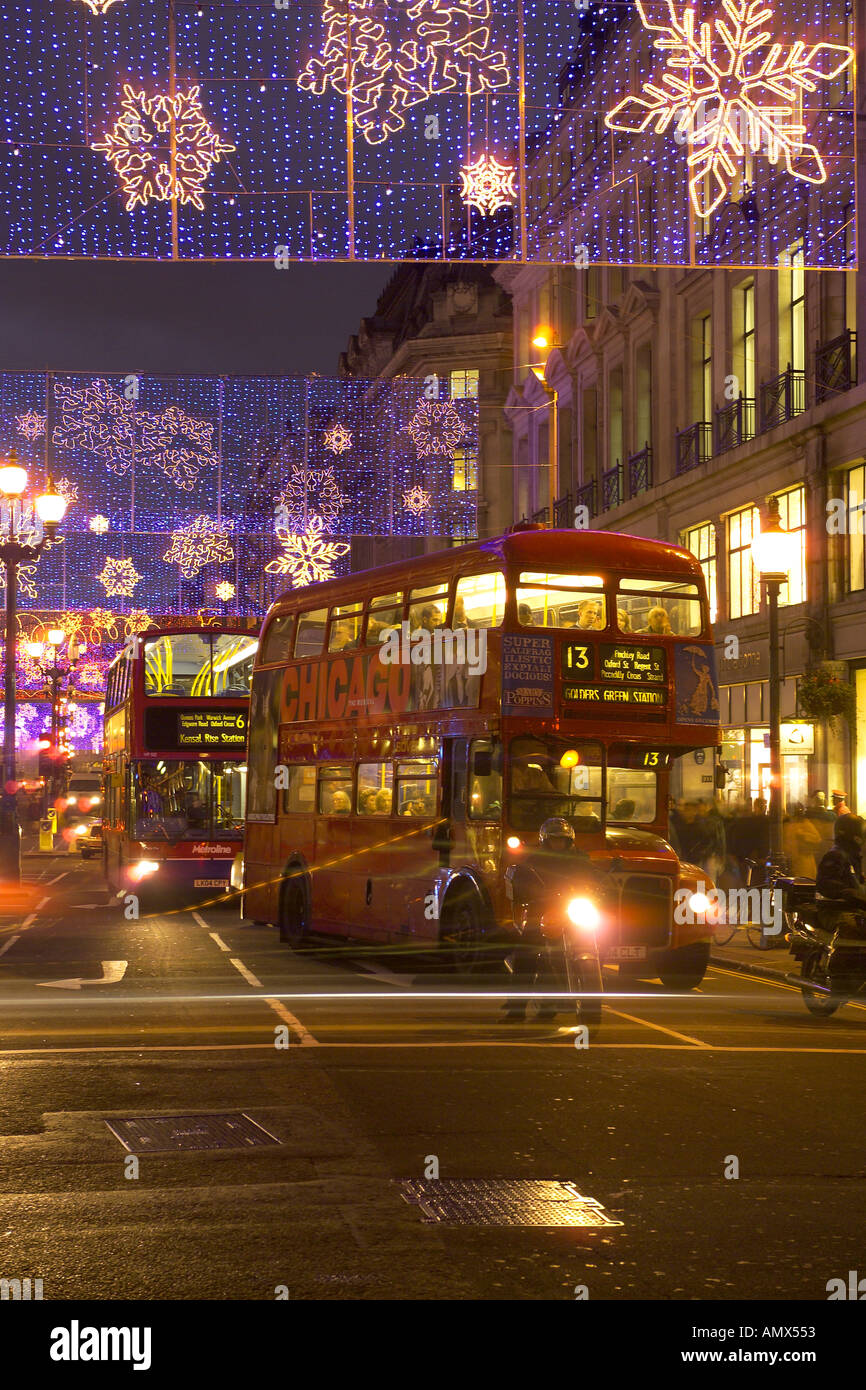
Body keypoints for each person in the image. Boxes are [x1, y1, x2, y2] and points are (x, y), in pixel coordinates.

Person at [504, 817, 602, 1022]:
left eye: (562, 840)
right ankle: (516, 1009)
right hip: (542, 909)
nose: (559, 844)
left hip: (571, 908)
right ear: (545, 841)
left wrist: (601, 886)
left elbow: (594, 877)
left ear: (569, 841)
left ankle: (581, 998)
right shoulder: (534, 860)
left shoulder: (580, 859)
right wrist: (530, 891)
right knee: (527, 952)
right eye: (554, 840)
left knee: (593, 934)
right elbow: (521, 879)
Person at [816, 814, 866, 937]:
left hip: (850, 908)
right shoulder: (836, 855)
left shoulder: (851, 856)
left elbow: (854, 881)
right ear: (854, 835)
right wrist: (850, 893)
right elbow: (827, 884)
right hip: (835, 911)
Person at [782, 802, 822, 879]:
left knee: (804, 882)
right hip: (789, 861)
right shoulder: (786, 824)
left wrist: (803, 834)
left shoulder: (805, 823)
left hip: (803, 860)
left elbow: (817, 838)